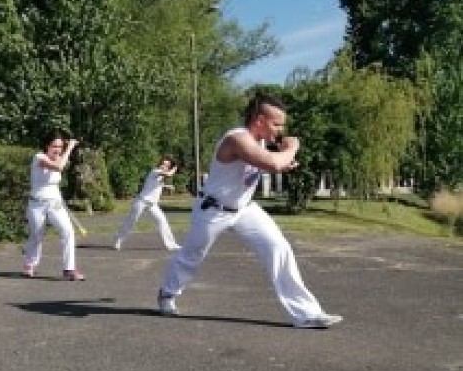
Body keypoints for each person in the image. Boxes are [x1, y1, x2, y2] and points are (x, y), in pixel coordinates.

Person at [156, 93, 342, 328]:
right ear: (260, 120)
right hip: (213, 209)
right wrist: (292, 148)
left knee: (278, 247)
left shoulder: (260, 142)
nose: (280, 130)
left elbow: (270, 163)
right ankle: (167, 294)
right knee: (192, 255)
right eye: (276, 124)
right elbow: (273, 163)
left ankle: (306, 314)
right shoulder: (237, 139)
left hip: (244, 209)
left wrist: (282, 161)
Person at [22, 130, 85, 281]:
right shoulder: (39, 157)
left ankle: (69, 269)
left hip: (55, 204)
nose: (57, 149)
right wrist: (69, 147)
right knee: (36, 235)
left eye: (60, 147)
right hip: (37, 204)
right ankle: (29, 265)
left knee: (68, 232)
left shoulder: (59, 158)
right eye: (54, 146)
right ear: (46, 145)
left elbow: (59, 169)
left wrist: (70, 148)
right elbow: (58, 167)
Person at [113, 156, 180, 251]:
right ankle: (118, 240)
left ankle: (171, 244)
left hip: (152, 204)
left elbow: (156, 185)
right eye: (163, 164)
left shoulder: (161, 176)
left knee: (162, 221)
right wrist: (174, 168)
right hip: (141, 201)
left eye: (166, 165)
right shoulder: (155, 171)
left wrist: (167, 186)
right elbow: (168, 175)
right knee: (131, 221)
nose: (163, 166)